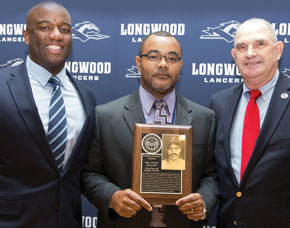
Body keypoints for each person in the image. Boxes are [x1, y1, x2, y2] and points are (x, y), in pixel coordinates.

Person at [81, 31, 217, 228]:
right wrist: (111, 196)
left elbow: (211, 175)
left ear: (180, 65)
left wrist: (203, 201)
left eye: (171, 58)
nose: (163, 64)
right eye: (153, 57)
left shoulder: (205, 118)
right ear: (138, 63)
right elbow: (88, 173)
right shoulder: (105, 116)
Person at [0, 2, 95, 227]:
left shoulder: (87, 97)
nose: (56, 36)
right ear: (26, 36)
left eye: (65, 30)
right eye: (45, 28)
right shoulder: (2, 87)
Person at [210, 18, 290, 227]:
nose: (250, 53)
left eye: (260, 44)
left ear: (278, 50)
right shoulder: (219, 103)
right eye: (242, 47)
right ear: (234, 56)